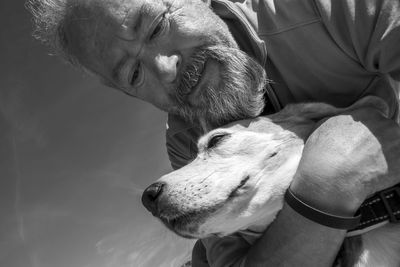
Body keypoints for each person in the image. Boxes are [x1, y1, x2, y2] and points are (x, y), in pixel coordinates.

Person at [27, 0, 400, 265]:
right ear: (129, 94)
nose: (167, 68)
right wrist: (326, 184)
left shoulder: (323, 8)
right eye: (134, 75)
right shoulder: (184, 143)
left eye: (157, 26)